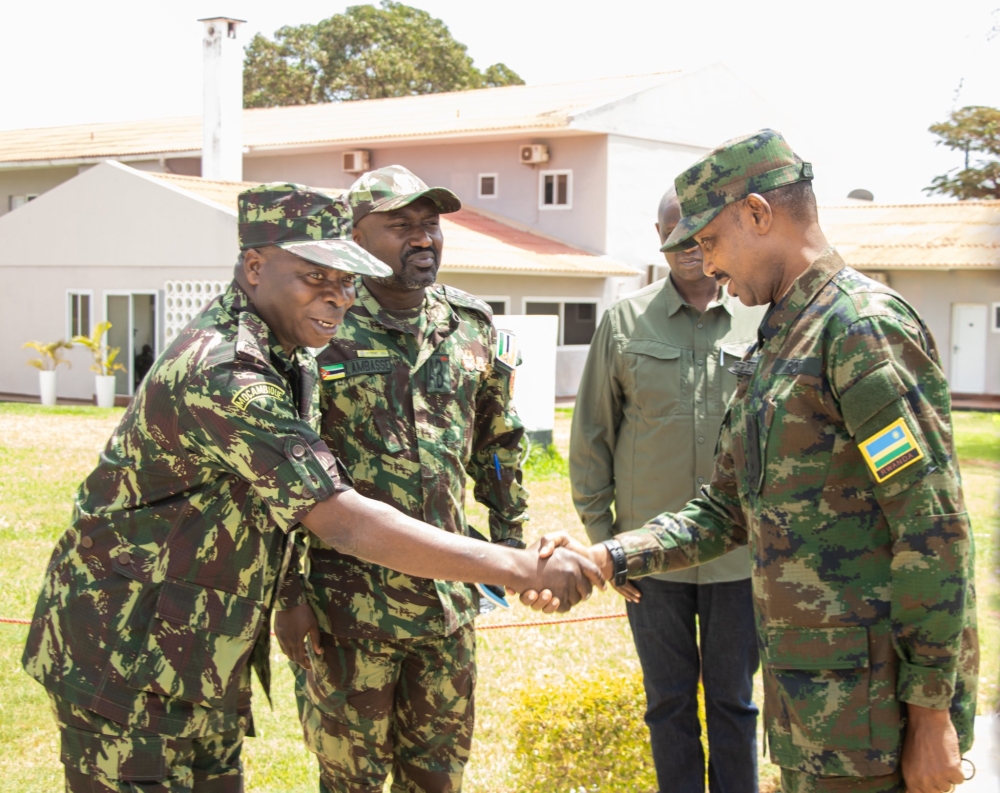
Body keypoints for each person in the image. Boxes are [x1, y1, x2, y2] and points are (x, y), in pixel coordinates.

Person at [21, 183, 602, 792]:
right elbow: (342, 519)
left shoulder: (291, 354)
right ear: (254, 267)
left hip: (199, 652)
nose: (338, 297)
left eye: (347, 280)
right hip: (124, 655)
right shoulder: (225, 372)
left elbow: (490, 445)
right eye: (314, 276)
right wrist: (518, 567)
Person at [545, 130, 978, 793]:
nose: (705, 263)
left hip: (876, 720)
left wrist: (930, 714)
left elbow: (933, 530)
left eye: (710, 241)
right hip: (815, 708)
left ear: (757, 213)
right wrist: (608, 557)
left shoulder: (858, 329)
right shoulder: (781, 339)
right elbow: (726, 507)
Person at [274, 164, 528, 793]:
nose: (423, 239)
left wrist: (510, 546)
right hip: (347, 613)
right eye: (401, 226)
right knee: (350, 783)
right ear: (354, 236)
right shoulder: (318, 331)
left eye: (430, 225)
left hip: (446, 611)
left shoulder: (471, 325)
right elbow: (277, 482)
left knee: (438, 781)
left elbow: (498, 444)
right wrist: (287, 597)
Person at [569, 185, 765, 792]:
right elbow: (591, 440)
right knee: (668, 701)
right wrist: (609, 549)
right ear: (659, 237)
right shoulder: (624, 322)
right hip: (649, 560)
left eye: (698, 228)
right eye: (672, 230)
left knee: (735, 703)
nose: (686, 243)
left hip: (738, 557)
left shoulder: (762, 316)